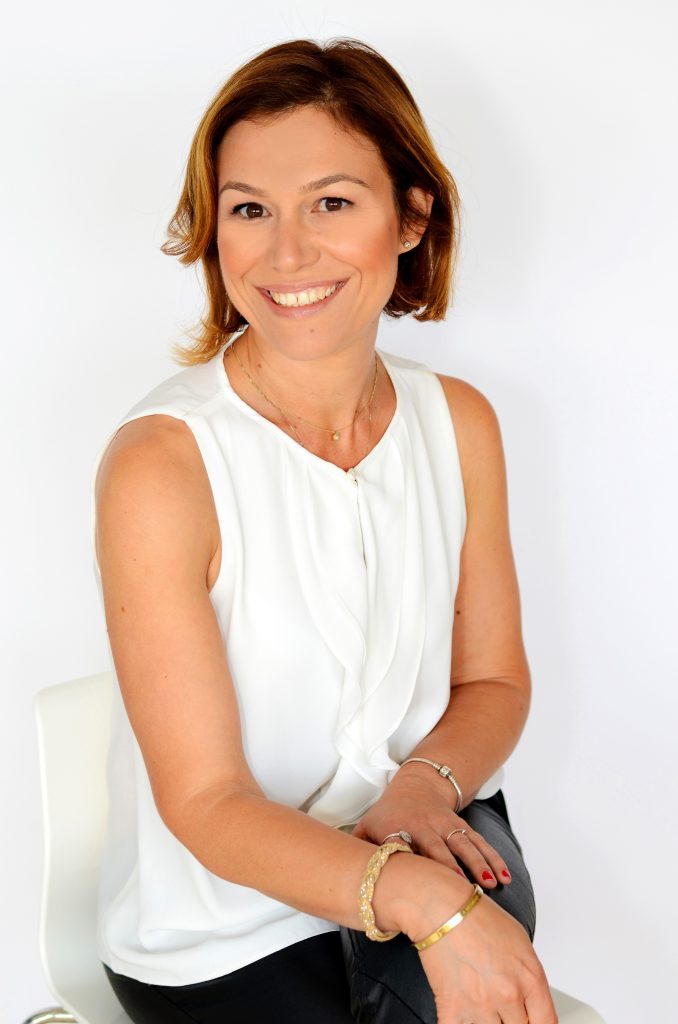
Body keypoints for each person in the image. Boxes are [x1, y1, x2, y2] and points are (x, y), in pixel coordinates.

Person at [92, 37, 558, 1024]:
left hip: (425, 838)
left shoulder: (459, 423)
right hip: (227, 932)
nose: (287, 252)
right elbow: (206, 802)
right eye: (249, 209)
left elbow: (494, 682)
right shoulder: (163, 465)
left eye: (332, 203)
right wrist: (425, 904)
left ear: (411, 215)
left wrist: (424, 788)